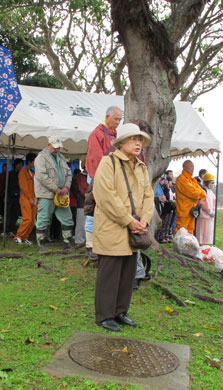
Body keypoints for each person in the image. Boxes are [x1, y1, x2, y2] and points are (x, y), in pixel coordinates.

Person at [93, 123, 154, 332]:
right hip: (113, 227)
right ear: (121, 142)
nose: (138, 143)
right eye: (133, 139)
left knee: (128, 274)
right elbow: (105, 195)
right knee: (110, 273)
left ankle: (120, 311)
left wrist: (144, 220)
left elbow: (148, 195)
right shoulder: (108, 162)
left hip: (135, 228)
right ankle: (104, 315)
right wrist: (128, 220)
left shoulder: (141, 166)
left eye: (140, 140)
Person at [85, 106, 122, 259]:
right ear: (107, 117)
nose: (118, 122)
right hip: (97, 177)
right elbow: (96, 158)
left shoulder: (115, 135)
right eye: (116, 119)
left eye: (120, 119)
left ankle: (103, 245)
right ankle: (90, 245)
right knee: (92, 210)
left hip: (112, 178)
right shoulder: (97, 134)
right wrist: (101, 179)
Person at [34, 136, 74, 251]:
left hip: (61, 194)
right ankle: (41, 243)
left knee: (67, 217)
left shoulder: (61, 158)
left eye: (59, 148)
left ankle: (67, 241)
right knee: (43, 218)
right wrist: (55, 189)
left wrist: (66, 186)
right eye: (55, 147)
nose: (57, 150)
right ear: (48, 145)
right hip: (46, 194)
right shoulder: (41, 158)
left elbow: (68, 174)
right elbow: (42, 177)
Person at [174, 160, 205, 235]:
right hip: (184, 210)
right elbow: (193, 193)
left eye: (193, 167)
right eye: (191, 166)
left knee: (190, 230)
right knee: (181, 231)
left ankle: (188, 246)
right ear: (184, 167)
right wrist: (200, 194)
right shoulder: (181, 179)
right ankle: (179, 246)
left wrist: (201, 197)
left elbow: (202, 192)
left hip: (192, 210)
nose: (192, 169)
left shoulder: (193, 180)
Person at [14, 153, 37, 245]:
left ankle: (24, 237)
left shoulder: (33, 173)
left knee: (32, 220)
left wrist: (35, 197)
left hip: (34, 198)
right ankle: (18, 236)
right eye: (34, 161)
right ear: (30, 162)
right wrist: (30, 197)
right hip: (26, 198)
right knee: (27, 218)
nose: (36, 163)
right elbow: (23, 187)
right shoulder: (23, 172)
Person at [3, 159, 23, 237]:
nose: (20, 166)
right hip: (10, 196)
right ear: (15, 165)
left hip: (18, 196)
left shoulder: (22, 174)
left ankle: (11, 229)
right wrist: (5, 196)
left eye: (21, 165)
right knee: (8, 213)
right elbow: (6, 186)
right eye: (19, 164)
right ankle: (5, 230)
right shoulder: (10, 174)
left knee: (15, 214)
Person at [195, 173, 216, 245]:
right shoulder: (204, 191)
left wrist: (213, 211)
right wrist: (209, 211)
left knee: (208, 233)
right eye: (212, 183)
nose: (213, 185)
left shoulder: (212, 193)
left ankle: (206, 245)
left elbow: (213, 203)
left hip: (210, 217)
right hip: (203, 215)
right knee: (202, 233)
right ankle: (201, 245)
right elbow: (203, 203)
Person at [70, 168, 87, 246]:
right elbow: (83, 191)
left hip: (81, 203)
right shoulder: (82, 178)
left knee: (81, 222)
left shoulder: (80, 178)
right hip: (81, 203)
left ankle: (80, 240)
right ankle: (80, 240)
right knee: (81, 223)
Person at [159, 170, 176, 243]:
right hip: (166, 206)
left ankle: (166, 235)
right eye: (170, 174)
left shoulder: (172, 187)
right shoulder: (164, 187)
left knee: (169, 222)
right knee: (164, 221)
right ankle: (162, 236)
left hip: (171, 206)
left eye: (172, 174)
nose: (171, 176)